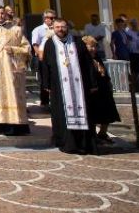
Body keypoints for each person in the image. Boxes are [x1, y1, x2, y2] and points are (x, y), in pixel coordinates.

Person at [40, 19, 97, 154]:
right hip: (59, 87)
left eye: (63, 26)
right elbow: (45, 65)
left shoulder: (77, 42)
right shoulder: (50, 43)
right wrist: (46, 84)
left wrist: (93, 82)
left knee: (85, 114)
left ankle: (84, 144)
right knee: (62, 114)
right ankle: (67, 143)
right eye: (57, 27)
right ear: (53, 28)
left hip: (80, 87)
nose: (60, 29)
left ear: (67, 27)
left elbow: (88, 63)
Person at [0, 4, 31, 135]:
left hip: (13, 69)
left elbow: (27, 48)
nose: (0, 15)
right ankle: (2, 124)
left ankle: (19, 125)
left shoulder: (16, 29)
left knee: (15, 95)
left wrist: (14, 50)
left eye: (2, 13)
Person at [81, 35, 120, 143]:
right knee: (94, 115)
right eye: (91, 46)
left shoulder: (97, 57)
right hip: (93, 91)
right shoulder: (84, 60)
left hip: (104, 89)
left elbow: (104, 73)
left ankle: (103, 133)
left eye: (95, 46)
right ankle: (92, 136)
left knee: (107, 113)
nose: (94, 49)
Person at [30, 10, 56, 106]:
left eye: (54, 18)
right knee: (44, 80)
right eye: (51, 18)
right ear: (45, 19)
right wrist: (40, 56)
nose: (53, 20)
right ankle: (44, 102)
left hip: (55, 57)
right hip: (43, 58)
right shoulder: (38, 30)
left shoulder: (56, 29)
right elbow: (35, 44)